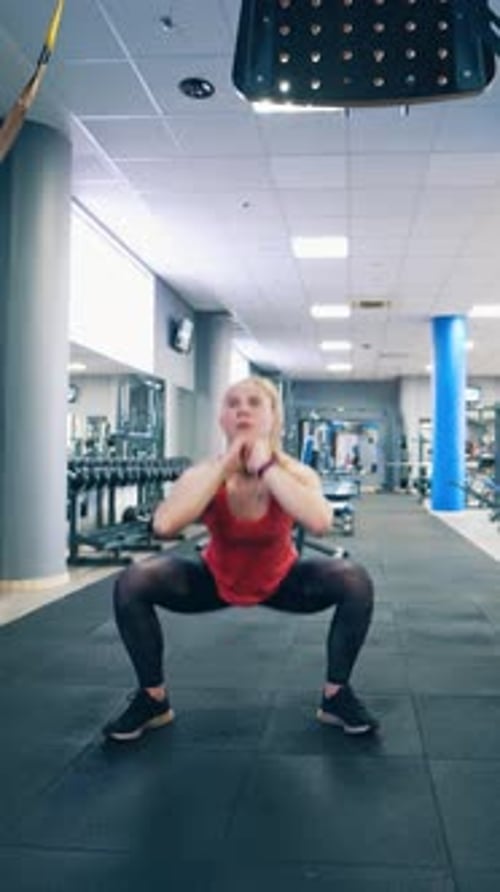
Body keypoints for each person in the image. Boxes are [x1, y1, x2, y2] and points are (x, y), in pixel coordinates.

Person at [103, 376, 378, 742]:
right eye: (232, 403)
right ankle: (152, 699)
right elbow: (164, 525)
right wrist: (223, 468)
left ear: (274, 417)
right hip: (214, 579)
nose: (242, 409)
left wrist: (266, 467)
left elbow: (321, 522)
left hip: (282, 581)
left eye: (254, 402)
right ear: (222, 419)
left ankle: (336, 696)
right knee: (134, 581)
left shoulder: (296, 474)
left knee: (354, 580)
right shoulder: (203, 474)